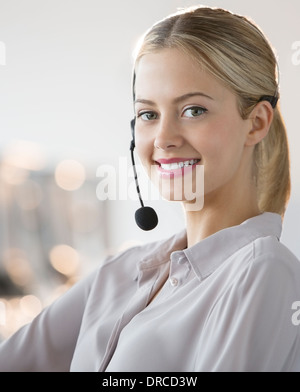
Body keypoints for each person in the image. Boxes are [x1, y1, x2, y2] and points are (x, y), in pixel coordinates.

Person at [0, 5, 300, 372]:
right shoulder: (122, 271)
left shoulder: (263, 271)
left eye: (193, 110)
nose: (164, 138)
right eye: (148, 114)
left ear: (255, 123)